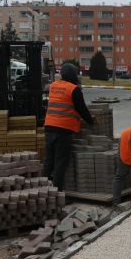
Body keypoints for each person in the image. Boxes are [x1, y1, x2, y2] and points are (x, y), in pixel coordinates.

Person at [43, 63, 94, 191]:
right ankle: (56, 193)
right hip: (63, 130)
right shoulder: (73, 89)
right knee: (60, 161)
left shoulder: (53, 86)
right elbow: (82, 109)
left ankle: (43, 190)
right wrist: (91, 121)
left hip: (49, 126)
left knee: (49, 160)